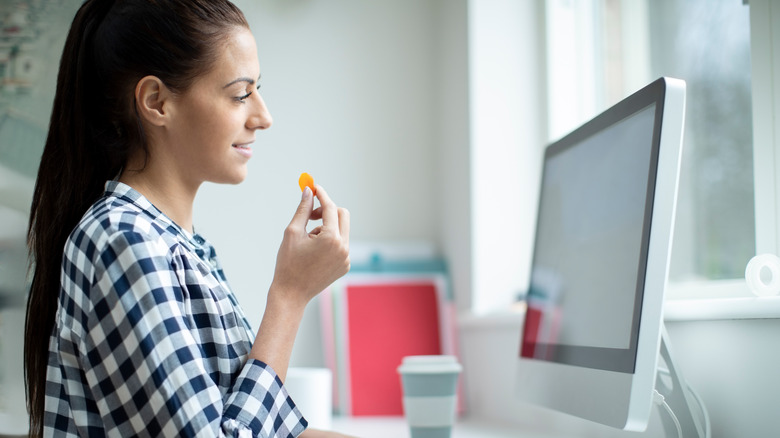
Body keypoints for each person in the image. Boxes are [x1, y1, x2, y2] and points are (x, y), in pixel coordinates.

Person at [23, 1, 352, 437]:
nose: (263, 116)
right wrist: (289, 296)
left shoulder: (181, 248)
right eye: (240, 94)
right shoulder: (122, 243)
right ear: (157, 102)